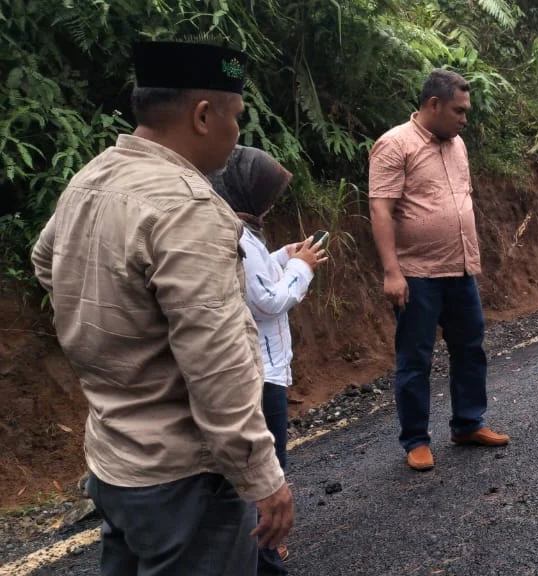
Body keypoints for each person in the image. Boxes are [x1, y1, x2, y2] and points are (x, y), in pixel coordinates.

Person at [30, 41, 292, 575]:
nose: (238, 134)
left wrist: (123, 336)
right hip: (186, 478)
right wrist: (263, 478)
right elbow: (216, 363)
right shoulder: (188, 208)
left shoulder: (93, 178)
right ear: (203, 115)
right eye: (236, 117)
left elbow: (45, 261)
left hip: (115, 461)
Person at [369, 69, 509, 472]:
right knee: (415, 357)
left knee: (470, 347)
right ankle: (415, 439)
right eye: (459, 110)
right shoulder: (394, 145)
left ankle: (468, 423)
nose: (465, 118)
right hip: (416, 272)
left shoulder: (457, 143)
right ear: (433, 105)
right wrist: (391, 271)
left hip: (460, 267)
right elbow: (381, 208)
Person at [209, 145, 327, 571]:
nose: (271, 203)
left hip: (261, 367)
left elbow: (258, 277)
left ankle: (258, 548)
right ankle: (263, 553)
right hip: (261, 372)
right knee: (267, 471)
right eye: (267, 194)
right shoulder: (238, 237)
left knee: (260, 469)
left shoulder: (238, 228)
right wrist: (304, 269)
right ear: (246, 190)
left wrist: (284, 256)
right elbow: (268, 300)